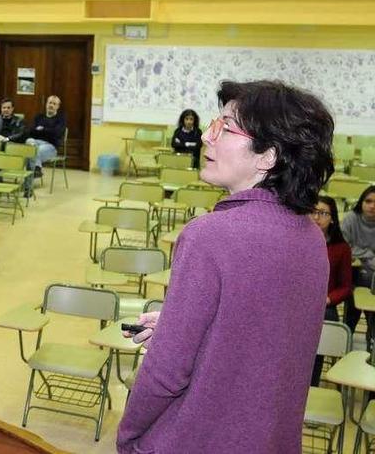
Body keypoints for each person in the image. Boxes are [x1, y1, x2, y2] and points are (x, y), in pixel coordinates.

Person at [117, 80, 335, 453]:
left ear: (267, 156)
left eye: (226, 126)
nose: (206, 136)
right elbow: (263, 343)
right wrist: (181, 330)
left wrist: (130, 434)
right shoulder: (311, 238)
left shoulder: (209, 235)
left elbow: (167, 374)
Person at [310, 195, 352, 387]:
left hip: (323, 304)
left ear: (333, 218)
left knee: (325, 321)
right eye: (313, 211)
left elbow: (345, 287)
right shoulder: (297, 240)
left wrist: (327, 299)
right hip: (295, 303)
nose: (317, 217)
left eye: (323, 213)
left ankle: (312, 385)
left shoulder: (341, 248)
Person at [340, 185, 375, 341]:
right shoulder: (350, 219)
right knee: (362, 278)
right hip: (353, 273)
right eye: (368, 201)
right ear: (361, 201)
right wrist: (368, 254)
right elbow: (344, 247)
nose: (372, 206)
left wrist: (360, 255)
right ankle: (348, 335)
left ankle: (371, 338)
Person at [26, 95, 66, 177]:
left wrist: (42, 129)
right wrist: (48, 131)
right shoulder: (38, 117)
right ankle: (37, 168)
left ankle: (28, 184)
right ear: (46, 104)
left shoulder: (60, 120)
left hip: (50, 146)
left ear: (58, 106)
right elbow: (30, 131)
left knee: (31, 153)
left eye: (54, 104)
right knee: (29, 142)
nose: (51, 105)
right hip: (35, 143)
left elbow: (57, 133)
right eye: (50, 103)